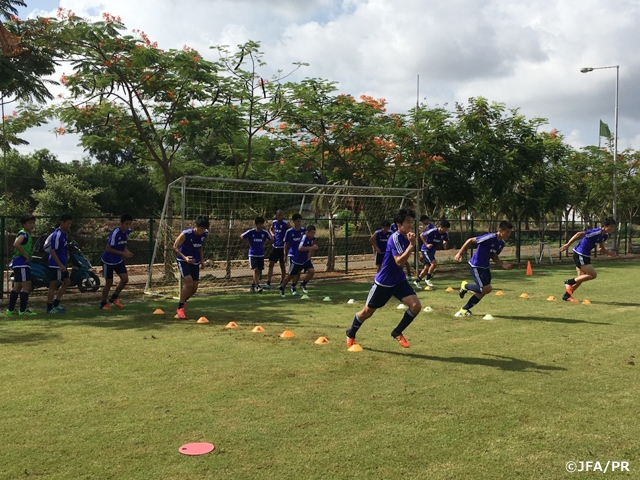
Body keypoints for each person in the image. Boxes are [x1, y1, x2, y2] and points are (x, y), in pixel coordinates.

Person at [346, 209, 421, 349]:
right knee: (366, 313)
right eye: (408, 222)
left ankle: (397, 332)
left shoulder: (408, 237)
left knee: (416, 306)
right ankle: (350, 333)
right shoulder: (395, 238)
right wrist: (412, 245)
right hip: (383, 283)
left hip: (398, 280)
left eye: (412, 222)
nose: (411, 225)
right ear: (399, 224)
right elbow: (399, 261)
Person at [454, 220, 513, 317]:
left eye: (510, 232)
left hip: (485, 267)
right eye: (507, 232)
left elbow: (494, 256)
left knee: (484, 291)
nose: (509, 234)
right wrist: (459, 253)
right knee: (486, 289)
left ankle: (464, 310)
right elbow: (470, 240)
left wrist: (502, 264)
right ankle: (465, 286)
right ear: (500, 230)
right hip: (476, 265)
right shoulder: (489, 237)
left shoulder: (501, 243)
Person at [559, 217, 616, 302]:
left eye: (613, 227)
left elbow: (601, 248)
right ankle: (569, 282)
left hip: (584, 255)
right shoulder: (596, 232)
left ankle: (567, 296)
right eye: (611, 226)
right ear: (605, 226)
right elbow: (579, 234)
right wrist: (567, 245)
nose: (613, 228)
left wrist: (609, 254)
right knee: (593, 275)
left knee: (581, 277)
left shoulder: (605, 236)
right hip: (580, 253)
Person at [173, 215, 209, 319]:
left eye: (204, 229)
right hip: (184, 261)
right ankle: (180, 308)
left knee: (194, 288)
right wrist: (185, 258)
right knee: (188, 283)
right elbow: (175, 247)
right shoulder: (186, 234)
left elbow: (200, 246)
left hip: (195, 261)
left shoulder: (205, 234)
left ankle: (182, 301)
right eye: (201, 228)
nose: (202, 231)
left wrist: (202, 261)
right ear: (195, 226)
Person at [100, 214, 134, 310]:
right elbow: (108, 248)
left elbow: (124, 243)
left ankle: (114, 298)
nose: (128, 226)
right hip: (108, 261)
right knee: (109, 283)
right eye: (126, 224)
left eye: (130, 224)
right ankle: (103, 303)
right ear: (121, 223)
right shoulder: (115, 233)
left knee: (125, 279)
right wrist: (123, 253)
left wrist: (126, 251)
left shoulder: (127, 232)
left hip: (118, 260)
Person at [6, 214, 37, 316]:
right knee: (26, 286)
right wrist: (25, 254)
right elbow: (16, 244)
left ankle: (10, 310)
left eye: (33, 223)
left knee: (17, 286)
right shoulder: (23, 234)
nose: (32, 225)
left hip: (19, 263)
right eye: (29, 223)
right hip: (21, 263)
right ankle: (22, 310)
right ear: (24, 224)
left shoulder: (26, 234)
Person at [279, 225, 317, 297]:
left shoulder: (312, 238)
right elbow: (300, 248)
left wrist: (312, 251)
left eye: (314, 233)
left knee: (312, 271)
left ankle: (303, 284)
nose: (313, 235)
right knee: (291, 276)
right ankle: (282, 287)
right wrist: (312, 247)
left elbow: (311, 246)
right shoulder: (304, 237)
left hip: (305, 259)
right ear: (307, 232)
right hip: (297, 260)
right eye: (312, 233)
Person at [46, 214, 73, 314]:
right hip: (56, 264)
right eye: (68, 223)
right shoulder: (57, 235)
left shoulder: (64, 234)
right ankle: (49, 307)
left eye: (70, 224)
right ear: (62, 223)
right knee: (53, 284)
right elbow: (53, 251)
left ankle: (56, 304)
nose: (69, 226)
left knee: (67, 282)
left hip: (62, 263)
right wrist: (60, 265)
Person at [414, 219, 450, 287]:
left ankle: (417, 281)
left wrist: (444, 244)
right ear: (441, 226)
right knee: (434, 263)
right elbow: (422, 235)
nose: (446, 230)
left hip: (432, 251)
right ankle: (428, 278)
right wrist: (426, 244)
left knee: (427, 267)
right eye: (445, 228)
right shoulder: (433, 230)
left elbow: (446, 239)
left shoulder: (445, 233)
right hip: (426, 249)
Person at [241, 216, 272, 293]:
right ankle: (258, 286)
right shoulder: (251, 232)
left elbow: (271, 239)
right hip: (252, 254)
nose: (261, 226)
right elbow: (242, 236)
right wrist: (249, 243)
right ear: (256, 224)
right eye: (259, 224)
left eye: (262, 224)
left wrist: (264, 243)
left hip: (261, 254)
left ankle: (252, 285)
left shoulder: (264, 233)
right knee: (254, 270)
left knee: (258, 272)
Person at [283, 213, 306, 296]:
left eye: (300, 221)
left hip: (301, 255)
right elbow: (286, 244)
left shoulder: (304, 231)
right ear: (293, 222)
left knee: (299, 272)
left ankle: (293, 286)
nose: (299, 223)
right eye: (298, 221)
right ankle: (289, 287)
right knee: (293, 273)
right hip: (292, 255)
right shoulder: (289, 232)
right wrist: (285, 254)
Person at [265, 210, 289, 289]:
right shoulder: (274, 222)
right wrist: (272, 235)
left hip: (282, 248)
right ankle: (268, 282)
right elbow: (270, 229)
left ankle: (282, 282)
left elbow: (291, 230)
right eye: (279, 215)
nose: (280, 217)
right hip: (275, 246)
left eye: (281, 215)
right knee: (271, 264)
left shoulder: (286, 223)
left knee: (282, 265)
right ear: (276, 215)